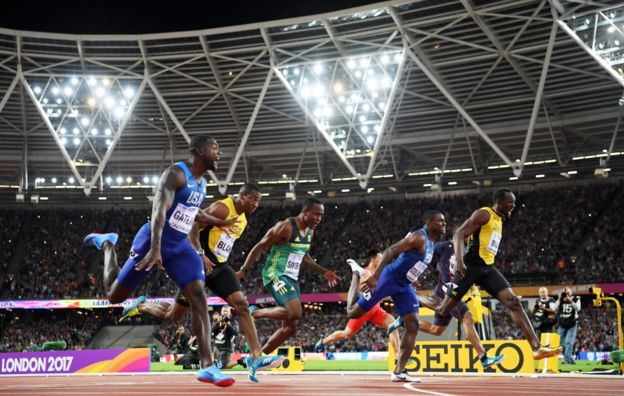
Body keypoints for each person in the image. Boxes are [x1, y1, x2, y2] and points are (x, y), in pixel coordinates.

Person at [83, 135, 235, 387]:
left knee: (198, 295)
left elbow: (191, 211)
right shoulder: (175, 174)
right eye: (215, 147)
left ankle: (207, 366)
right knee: (114, 296)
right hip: (152, 242)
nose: (219, 152)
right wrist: (155, 249)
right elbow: (158, 211)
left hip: (179, 246)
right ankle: (108, 244)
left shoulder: (202, 183)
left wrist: (218, 222)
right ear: (198, 151)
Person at [119, 183, 283, 382]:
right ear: (241, 196)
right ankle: (143, 305)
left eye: (259, 200)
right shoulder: (223, 208)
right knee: (173, 315)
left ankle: (258, 357)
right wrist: (201, 254)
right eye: (253, 199)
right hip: (198, 262)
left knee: (241, 304)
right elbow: (192, 227)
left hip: (219, 266)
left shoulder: (243, 219)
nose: (256, 204)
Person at [436, 188, 562, 360]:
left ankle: (536, 348)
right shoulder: (484, 214)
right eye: (510, 202)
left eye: (514, 203)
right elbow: (459, 234)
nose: (513, 206)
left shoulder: (499, 220)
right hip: (470, 268)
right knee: (444, 309)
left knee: (514, 303)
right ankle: (415, 302)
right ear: (499, 202)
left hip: (487, 269)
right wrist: (459, 261)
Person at [348, 210, 446, 383]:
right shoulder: (419, 237)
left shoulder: (432, 242)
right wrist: (376, 276)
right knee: (352, 313)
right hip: (388, 278)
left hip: (404, 285)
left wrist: (412, 278)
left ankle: (399, 371)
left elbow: (414, 261)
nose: (444, 224)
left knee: (413, 324)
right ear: (430, 223)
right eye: (441, 221)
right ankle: (356, 274)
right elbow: (390, 251)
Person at [238, 197, 340, 355]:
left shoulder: (310, 231)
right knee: (295, 312)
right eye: (316, 214)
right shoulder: (285, 227)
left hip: (292, 278)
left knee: (290, 328)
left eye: (321, 215)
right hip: (275, 273)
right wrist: (244, 269)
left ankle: (257, 358)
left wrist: (324, 272)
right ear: (305, 212)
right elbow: (260, 246)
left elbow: (304, 257)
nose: (319, 219)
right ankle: (254, 312)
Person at [387, 240, 504, 368]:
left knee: (436, 330)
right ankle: (484, 357)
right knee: (467, 317)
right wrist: (413, 270)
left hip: (452, 291)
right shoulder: (446, 246)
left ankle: (405, 321)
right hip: (447, 292)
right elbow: (426, 251)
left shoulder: (471, 253)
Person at [314, 250, 401, 360]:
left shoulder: (380, 274)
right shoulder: (366, 272)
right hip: (363, 310)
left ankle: (398, 356)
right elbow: (359, 290)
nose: (382, 259)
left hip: (375, 309)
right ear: (373, 259)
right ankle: (323, 341)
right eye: (380, 257)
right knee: (347, 334)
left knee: (393, 325)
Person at [552, 287, 580, 364]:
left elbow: (578, 309)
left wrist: (570, 301)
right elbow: (553, 309)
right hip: (562, 324)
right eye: (564, 293)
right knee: (560, 343)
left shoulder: (575, 299)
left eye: (568, 292)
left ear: (571, 293)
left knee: (569, 342)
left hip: (572, 324)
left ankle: (567, 360)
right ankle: (570, 360)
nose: (566, 294)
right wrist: (559, 299)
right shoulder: (560, 300)